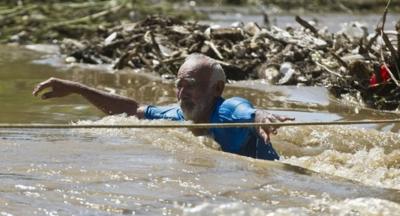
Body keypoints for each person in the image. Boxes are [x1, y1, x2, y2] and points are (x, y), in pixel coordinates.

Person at [33, 53, 294, 160]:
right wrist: (78, 88)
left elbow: (247, 111)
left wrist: (261, 116)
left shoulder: (228, 110)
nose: (182, 93)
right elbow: (133, 111)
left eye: (190, 85)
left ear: (217, 89)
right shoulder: (177, 115)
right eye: (178, 85)